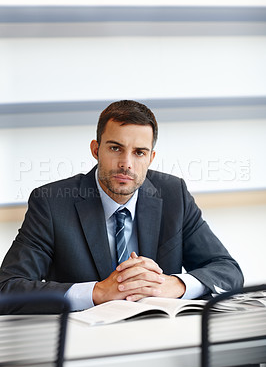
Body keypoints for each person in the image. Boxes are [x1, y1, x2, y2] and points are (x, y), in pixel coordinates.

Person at [0, 100, 244, 314]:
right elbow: (7, 288)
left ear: (151, 158)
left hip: (163, 339)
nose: (126, 164)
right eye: (115, 148)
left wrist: (172, 285)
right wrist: (97, 292)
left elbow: (227, 271)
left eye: (139, 152)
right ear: (96, 149)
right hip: (85, 348)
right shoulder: (52, 202)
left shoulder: (173, 194)